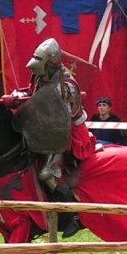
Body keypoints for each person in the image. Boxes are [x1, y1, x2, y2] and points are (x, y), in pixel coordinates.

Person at [23, 38, 96, 238]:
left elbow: (60, 117)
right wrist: (14, 98)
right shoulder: (39, 76)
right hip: (46, 128)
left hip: (66, 131)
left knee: (47, 173)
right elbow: (33, 95)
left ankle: (75, 215)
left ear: (51, 62)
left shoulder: (67, 85)